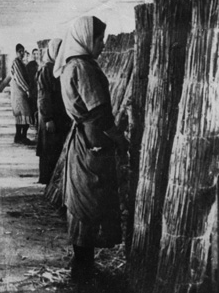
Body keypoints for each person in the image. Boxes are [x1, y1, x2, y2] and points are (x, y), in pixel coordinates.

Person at [53, 16, 125, 281]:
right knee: (91, 201)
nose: (103, 45)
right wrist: (119, 138)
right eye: (99, 39)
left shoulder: (69, 65)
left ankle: (81, 263)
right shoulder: (84, 68)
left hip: (82, 140)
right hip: (93, 140)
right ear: (86, 39)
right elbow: (101, 112)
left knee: (82, 200)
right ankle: (82, 268)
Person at [36, 39, 70, 184]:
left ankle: (53, 180)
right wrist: (48, 118)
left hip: (59, 115)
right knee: (49, 148)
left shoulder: (58, 67)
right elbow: (43, 96)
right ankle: (46, 179)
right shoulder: (47, 70)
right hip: (50, 117)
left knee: (55, 147)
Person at [11, 43, 34, 145]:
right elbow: (19, 78)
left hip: (22, 92)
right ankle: (20, 136)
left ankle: (21, 136)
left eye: (23, 51)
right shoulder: (16, 63)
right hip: (19, 93)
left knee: (24, 115)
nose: (22, 53)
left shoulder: (22, 63)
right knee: (23, 114)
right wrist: (27, 89)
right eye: (20, 51)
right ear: (16, 52)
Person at [26, 48, 41, 125]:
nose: (36, 56)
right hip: (32, 88)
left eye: (37, 54)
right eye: (34, 54)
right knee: (32, 106)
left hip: (40, 89)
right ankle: (33, 121)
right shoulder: (29, 65)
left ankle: (38, 123)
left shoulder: (42, 64)